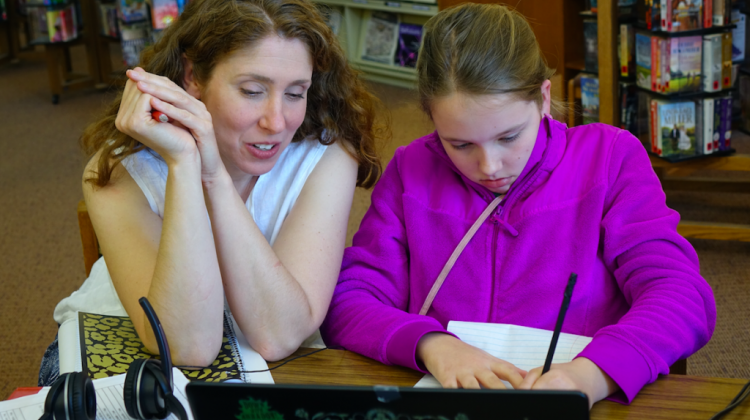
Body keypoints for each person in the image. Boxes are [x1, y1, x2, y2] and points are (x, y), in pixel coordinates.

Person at [320, 3, 715, 407]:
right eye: (459, 144)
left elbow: (679, 295)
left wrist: (593, 373)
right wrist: (431, 344)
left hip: (588, 399)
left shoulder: (610, 157)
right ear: (431, 118)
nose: (489, 167)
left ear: (544, 98)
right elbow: (349, 300)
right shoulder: (411, 169)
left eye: (509, 137)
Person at [40, 0, 384, 386]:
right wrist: (185, 163)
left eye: (295, 93)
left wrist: (213, 176)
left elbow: (280, 335)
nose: (276, 122)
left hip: (266, 363)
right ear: (192, 77)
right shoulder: (119, 169)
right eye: (252, 91)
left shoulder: (327, 157)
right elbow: (189, 345)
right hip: (120, 353)